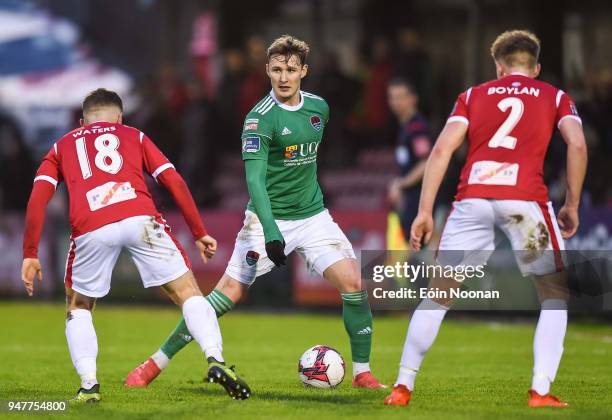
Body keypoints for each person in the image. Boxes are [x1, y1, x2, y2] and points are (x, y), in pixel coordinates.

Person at [125, 35, 386, 389]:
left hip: (313, 217)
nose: (283, 77)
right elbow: (255, 181)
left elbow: (304, 163)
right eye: (277, 69)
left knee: (354, 283)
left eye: (291, 70)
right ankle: (153, 365)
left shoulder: (319, 109)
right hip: (266, 221)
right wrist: (271, 229)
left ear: (303, 72)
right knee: (228, 293)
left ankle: (362, 373)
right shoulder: (258, 119)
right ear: (267, 70)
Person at [383, 30, 587, 407]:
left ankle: (402, 386)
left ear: (498, 68)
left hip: (472, 198)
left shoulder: (472, 95)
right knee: (554, 296)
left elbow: (442, 149)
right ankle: (540, 391)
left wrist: (425, 211)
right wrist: (571, 203)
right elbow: (577, 143)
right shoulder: (555, 96)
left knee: (438, 296)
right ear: (536, 68)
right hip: (525, 199)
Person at [21, 89, 250, 402]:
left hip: (91, 225)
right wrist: (198, 231)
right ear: (119, 118)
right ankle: (216, 360)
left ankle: (89, 386)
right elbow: (174, 181)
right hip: (140, 217)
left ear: (82, 121)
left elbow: (38, 197)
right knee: (188, 294)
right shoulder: (134, 135)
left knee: (78, 306)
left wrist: (30, 253)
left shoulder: (62, 146)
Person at [387, 77, 433, 237]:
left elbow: (426, 161)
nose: (395, 102)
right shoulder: (404, 127)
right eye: (392, 97)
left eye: (400, 97)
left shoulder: (417, 128)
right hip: (411, 200)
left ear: (413, 99)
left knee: (419, 253)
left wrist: (401, 184)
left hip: (421, 201)